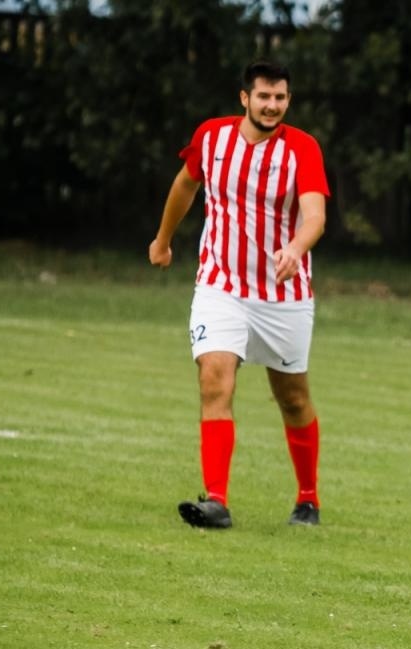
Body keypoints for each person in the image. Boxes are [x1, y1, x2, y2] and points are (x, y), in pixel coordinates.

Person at [148, 58, 330, 529]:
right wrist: (163, 240)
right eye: (264, 96)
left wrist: (295, 248)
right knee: (215, 378)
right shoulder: (212, 137)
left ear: (288, 100)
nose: (272, 105)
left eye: (280, 97)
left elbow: (315, 216)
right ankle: (216, 501)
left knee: (292, 398)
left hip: (283, 295)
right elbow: (184, 186)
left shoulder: (302, 148)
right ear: (245, 98)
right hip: (220, 285)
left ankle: (308, 498)